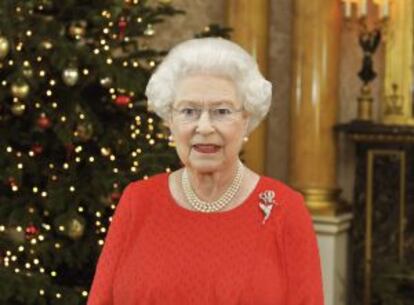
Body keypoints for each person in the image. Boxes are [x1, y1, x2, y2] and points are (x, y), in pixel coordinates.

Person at [87, 38, 324, 305]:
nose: (204, 127)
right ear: (170, 121)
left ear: (246, 120)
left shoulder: (285, 209)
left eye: (221, 111)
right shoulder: (137, 201)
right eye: (189, 111)